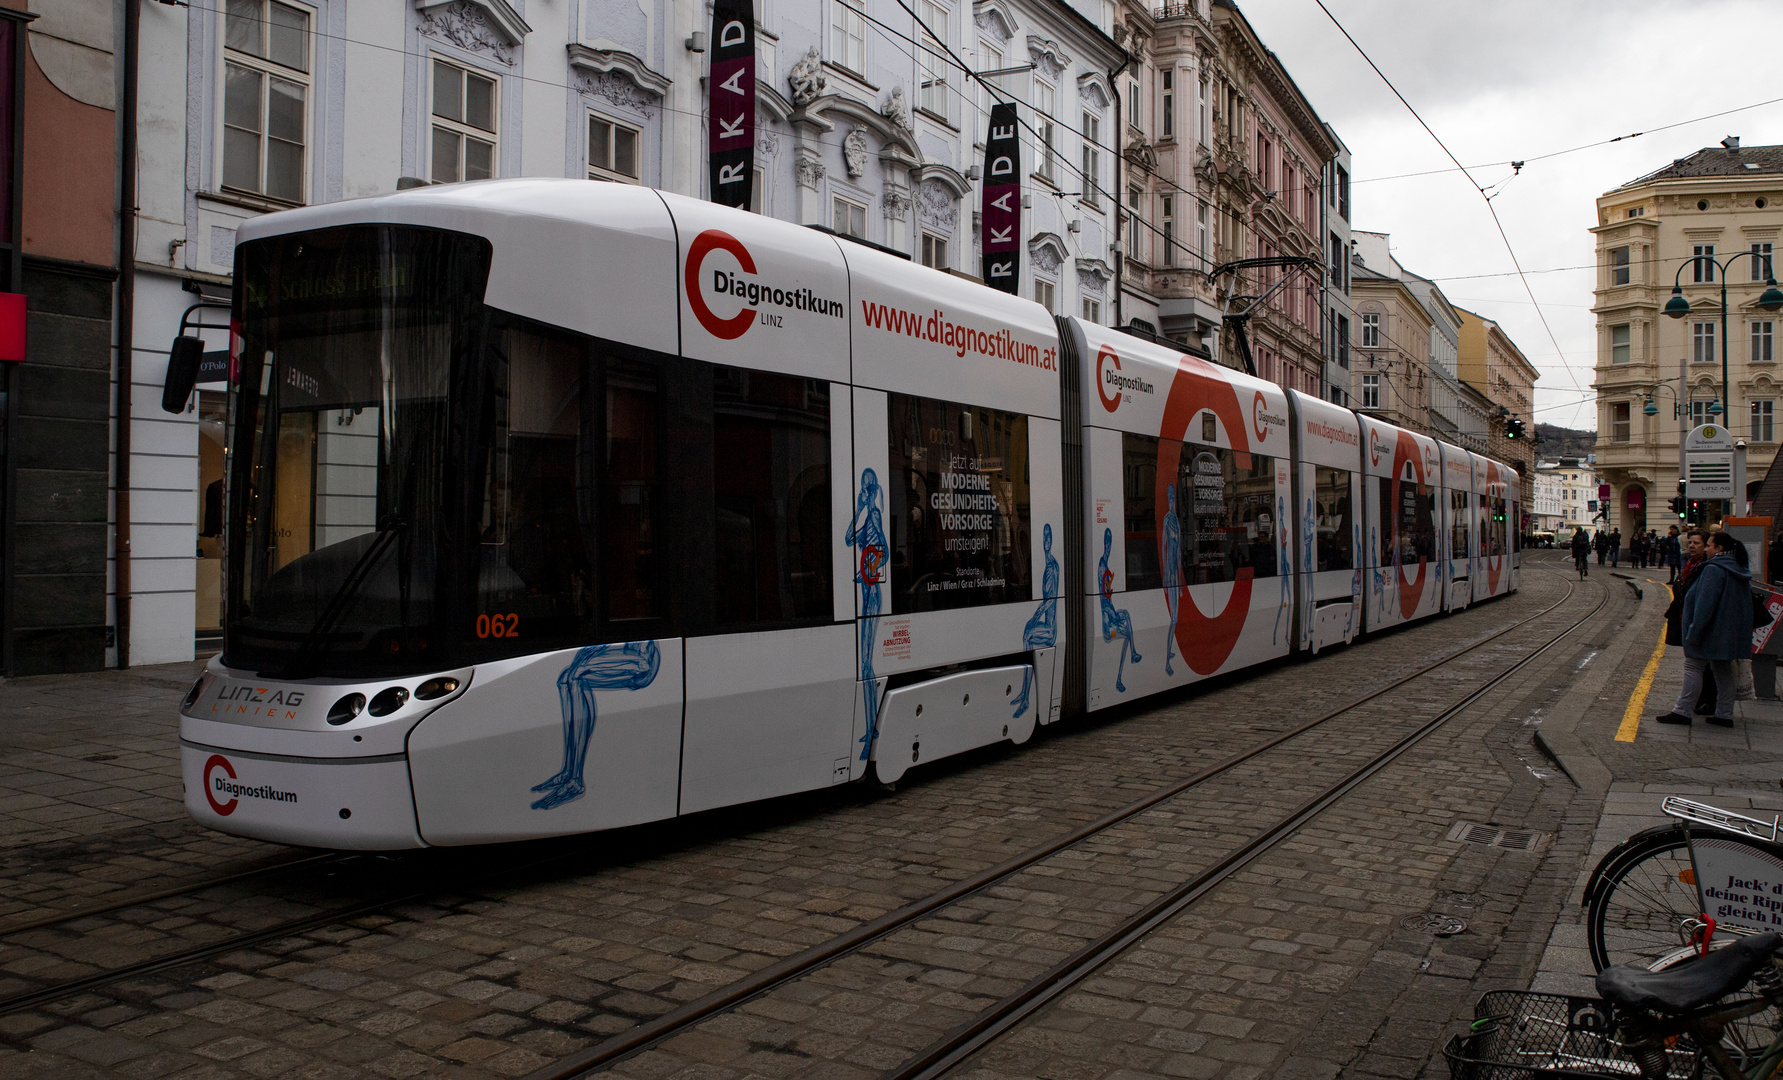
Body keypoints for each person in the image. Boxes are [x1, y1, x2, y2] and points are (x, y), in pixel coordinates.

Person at [1657, 531, 1754, 727]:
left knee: (1693, 667)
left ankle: (1682, 711)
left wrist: (1694, 631)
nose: (1706, 548)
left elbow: (1704, 605)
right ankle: (1724, 714)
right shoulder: (1737, 568)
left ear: (1719, 549)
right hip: (1728, 631)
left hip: (1709, 631)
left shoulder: (1714, 570)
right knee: (1723, 670)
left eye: (1709, 545)